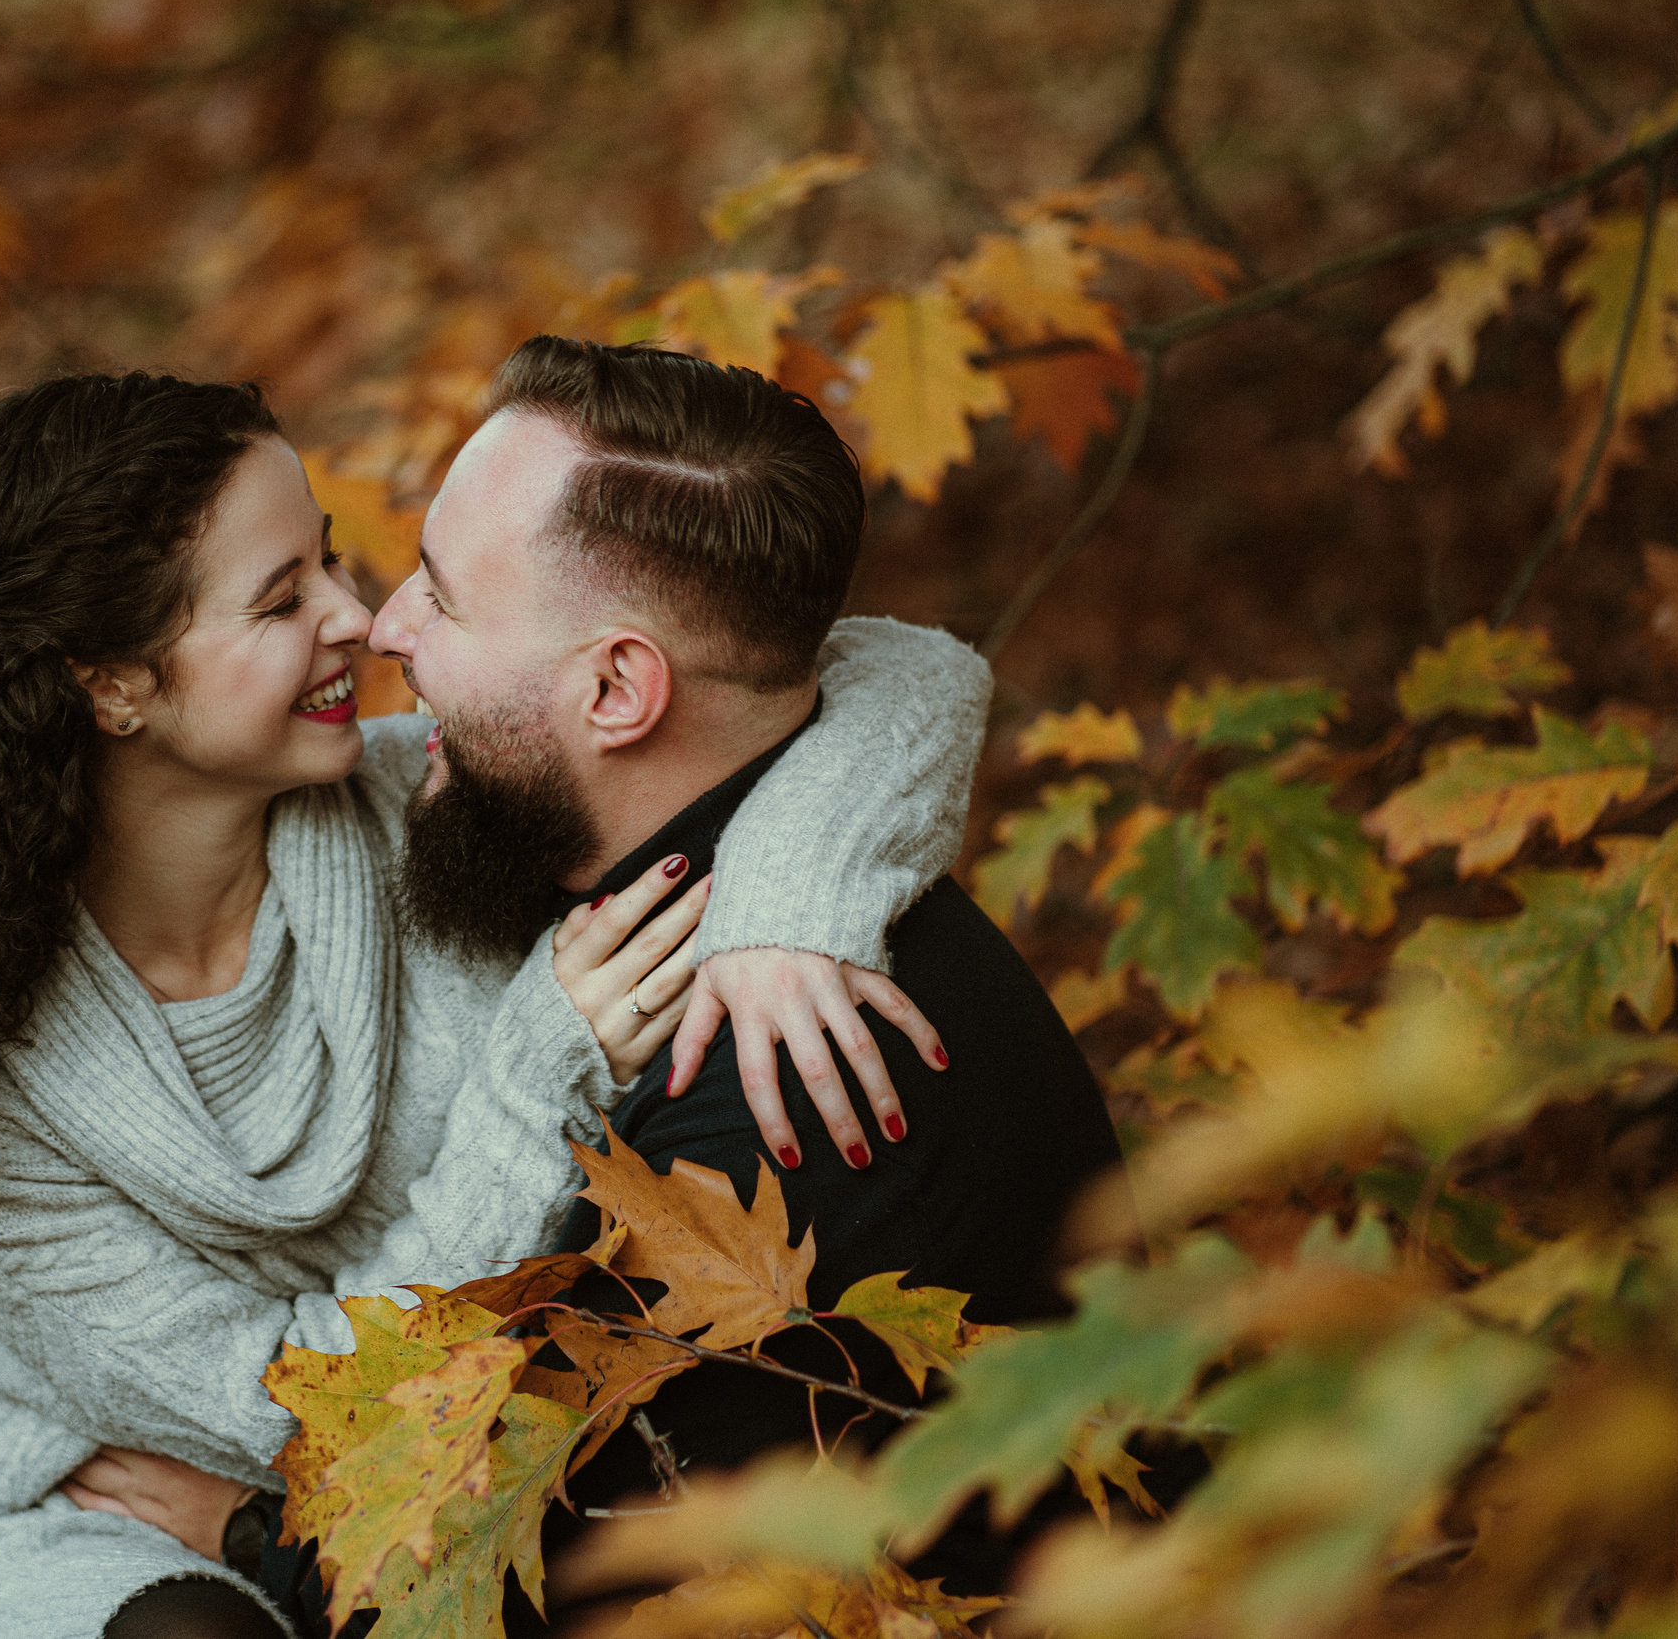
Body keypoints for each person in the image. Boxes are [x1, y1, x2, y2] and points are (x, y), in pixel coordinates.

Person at [0, 369, 995, 1639]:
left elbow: (883, 671)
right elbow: (288, 1414)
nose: (360, 620)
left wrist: (787, 915)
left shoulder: (433, 808)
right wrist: (536, 1079)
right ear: (111, 685)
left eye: (327, 563)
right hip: (108, 1520)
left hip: (443, 1496)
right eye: (279, 600)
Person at [71, 338, 1124, 1629]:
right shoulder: (673, 901)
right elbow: (883, 663)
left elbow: (530, 1588)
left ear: (618, 687)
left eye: (445, 599)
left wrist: (245, 1526)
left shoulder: (776, 1078)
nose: (386, 625)